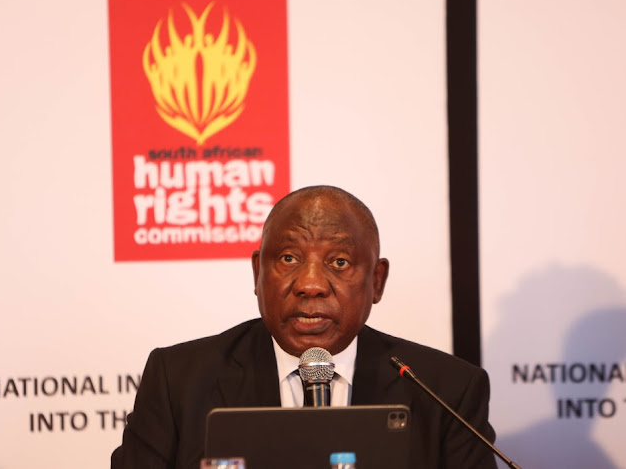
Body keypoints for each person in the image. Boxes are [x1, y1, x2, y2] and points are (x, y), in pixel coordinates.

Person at [111, 185, 498, 468]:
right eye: (289, 257)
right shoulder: (178, 380)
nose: (310, 284)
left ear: (377, 281)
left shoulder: (447, 391)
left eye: (340, 262)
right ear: (258, 271)